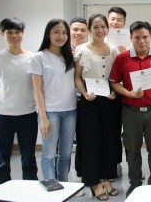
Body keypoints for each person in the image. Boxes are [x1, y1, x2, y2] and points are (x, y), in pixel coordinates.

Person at [109, 21, 151, 197]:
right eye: (137, 37)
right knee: (132, 149)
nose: (142, 41)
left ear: (150, 38)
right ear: (131, 38)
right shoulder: (122, 58)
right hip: (131, 112)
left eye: (145, 37)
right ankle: (135, 183)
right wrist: (128, 92)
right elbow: (113, 82)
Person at [74, 14, 120, 200]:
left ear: (107, 29)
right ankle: (93, 181)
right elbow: (77, 76)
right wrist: (84, 93)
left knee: (109, 140)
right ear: (90, 29)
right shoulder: (82, 49)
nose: (100, 31)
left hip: (109, 99)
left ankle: (107, 177)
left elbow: (116, 77)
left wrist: (115, 92)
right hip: (90, 100)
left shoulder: (114, 50)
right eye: (95, 27)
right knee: (90, 141)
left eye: (103, 27)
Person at [27, 19, 77, 183]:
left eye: (64, 32)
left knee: (65, 154)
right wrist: (43, 117)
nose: (61, 36)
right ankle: (51, 187)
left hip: (70, 111)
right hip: (50, 112)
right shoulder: (39, 58)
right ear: (48, 34)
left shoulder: (70, 56)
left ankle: (63, 185)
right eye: (56, 32)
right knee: (49, 154)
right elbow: (37, 90)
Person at [0, 18, 38, 185]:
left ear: (22, 34)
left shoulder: (33, 58)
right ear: (3, 34)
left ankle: (30, 191)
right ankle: (3, 192)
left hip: (28, 114)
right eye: (9, 32)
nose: (14, 35)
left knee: (29, 157)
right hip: (1, 115)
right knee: (2, 159)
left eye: (17, 32)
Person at [107, 6, 127, 180]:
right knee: (107, 130)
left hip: (123, 91)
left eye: (119, 20)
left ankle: (116, 163)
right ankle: (106, 164)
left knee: (121, 131)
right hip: (103, 91)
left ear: (124, 23)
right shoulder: (101, 41)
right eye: (112, 19)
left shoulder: (130, 41)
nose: (115, 22)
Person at [69, 17, 88, 192]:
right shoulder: (62, 51)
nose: (79, 33)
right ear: (70, 31)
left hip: (84, 102)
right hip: (65, 104)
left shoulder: (89, 51)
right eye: (75, 29)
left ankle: (81, 176)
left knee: (83, 140)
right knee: (65, 145)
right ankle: (63, 181)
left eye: (82, 29)